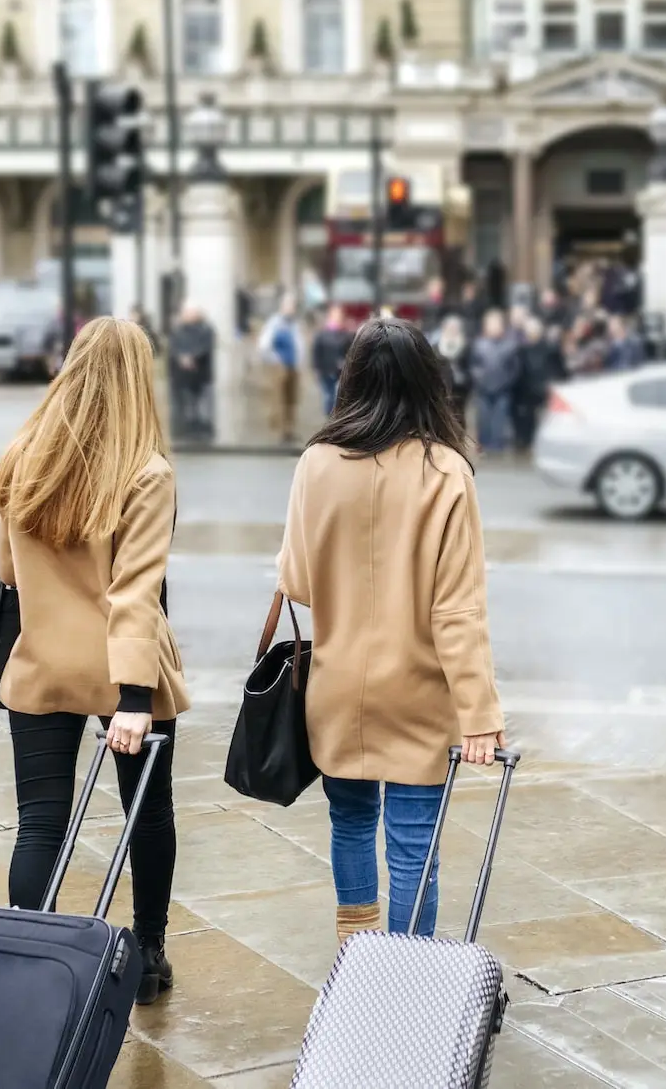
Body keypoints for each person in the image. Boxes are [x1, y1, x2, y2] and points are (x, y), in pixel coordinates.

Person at [276, 318, 506, 942]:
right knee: (412, 849)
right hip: (418, 690)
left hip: (337, 682)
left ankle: (358, 958)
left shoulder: (317, 463)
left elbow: (295, 580)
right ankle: (403, 975)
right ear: (428, 381)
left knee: (350, 824)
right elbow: (457, 609)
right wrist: (479, 714)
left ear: (349, 379)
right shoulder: (447, 472)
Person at [0, 317, 187, 1005]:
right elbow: (136, 593)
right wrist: (133, 697)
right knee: (147, 815)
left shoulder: (23, 455)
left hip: (41, 661)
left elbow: (5, 569)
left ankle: (28, 959)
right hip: (121, 672)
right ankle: (150, 953)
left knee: (40, 821)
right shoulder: (146, 471)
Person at [469, 310, 522, 453]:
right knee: (484, 420)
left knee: (499, 420)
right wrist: (479, 379)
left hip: (503, 390)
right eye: (490, 324)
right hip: (483, 390)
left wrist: (506, 383)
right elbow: (474, 366)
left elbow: (515, 369)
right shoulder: (479, 344)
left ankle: (497, 447)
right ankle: (484, 446)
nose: (492, 327)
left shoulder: (510, 345)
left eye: (495, 324)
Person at [514, 316, 563, 452]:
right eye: (529, 331)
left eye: (534, 331)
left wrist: (551, 384)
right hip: (526, 390)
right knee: (527, 419)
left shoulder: (550, 348)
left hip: (544, 389)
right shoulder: (522, 349)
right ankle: (526, 442)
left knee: (545, 420)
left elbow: (558, 369)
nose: (532, 334)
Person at [169, 304, 216, 442]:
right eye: (186, 313)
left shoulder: (206, 329)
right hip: (183, 375)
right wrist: (181, 357)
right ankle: (186, 429)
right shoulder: (178, 330)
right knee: (186, 403)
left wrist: (192, 357)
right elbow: (173, 347)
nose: (187, 315)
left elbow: (206, 346)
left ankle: (203, 430)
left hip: (201, 374)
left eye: (190, 313)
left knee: (202, 403)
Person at [259, 297, 302, 444]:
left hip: (293, 366)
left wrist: (299, 361)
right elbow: (264, 345)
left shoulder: (295, 324)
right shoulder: (275, 323)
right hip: (279, 367)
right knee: (279, 399)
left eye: (292, 307)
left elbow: (298, 344)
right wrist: (275, 360)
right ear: (282, 307)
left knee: (292, 399)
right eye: (288, 307)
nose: (291, 310)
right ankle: (280, 432)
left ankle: (289, 430)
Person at [311, 304, 354, 419]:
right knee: (327, 396)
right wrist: (316, 369)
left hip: (340, 372)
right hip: (325, 370)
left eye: (339, 315)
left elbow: (351, 351)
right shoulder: (322, 334)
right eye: (335, 315)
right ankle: (328, 418)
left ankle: (334, 419)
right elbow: (316, 352)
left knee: (337, 396)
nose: (337, 318)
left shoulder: (346, 334)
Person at [433, 314, 473, 426]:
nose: (452, 331)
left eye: (454, 328)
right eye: (449, 328)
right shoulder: (436, 347)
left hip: (460, 388)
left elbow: (470, 367)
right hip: (441, 387)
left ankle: (458, 439)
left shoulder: (465, 346)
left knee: (459, 415)